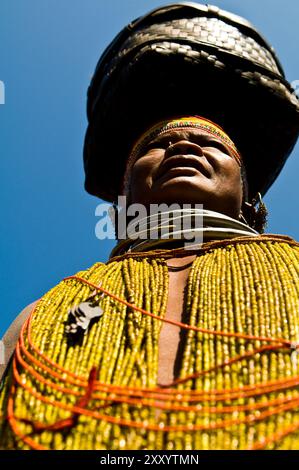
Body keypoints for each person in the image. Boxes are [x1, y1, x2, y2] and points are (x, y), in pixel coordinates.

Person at [1, 3, 299, 451]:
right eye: (157, 146)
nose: (182, 145)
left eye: (209, 144)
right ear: (125, 194)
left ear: (249, 196)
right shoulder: (47, 310)